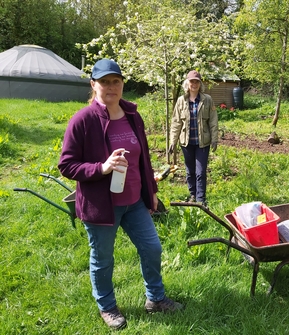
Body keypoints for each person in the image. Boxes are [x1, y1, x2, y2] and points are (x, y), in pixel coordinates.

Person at [58, 58, 183, 330]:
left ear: (122, 84)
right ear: (94, 85)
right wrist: (101, 168)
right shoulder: (83, 120)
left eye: (116, 81)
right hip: (102, 205)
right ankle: (107, 306)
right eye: (104, 82)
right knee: (103, 258)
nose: (111, 87)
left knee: (152, 248)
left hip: (134, 201)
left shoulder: (132, 116)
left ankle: (156, 299)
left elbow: (144, 159)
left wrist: (151, 192)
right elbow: (66, 165)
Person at [169, 70, 218, 206]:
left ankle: (201, 199)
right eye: (192, 81)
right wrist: (172, 141)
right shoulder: (181, 101)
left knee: (200, 172)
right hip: (187, 143)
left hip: (203, 142)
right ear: (187, 83)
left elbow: (213, 121)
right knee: (190, 171)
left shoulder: (207, 100)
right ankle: (193, 194)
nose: (194, 84)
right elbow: (176, 122)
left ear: (200, 84)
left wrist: (214, 139)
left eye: (197, 81)